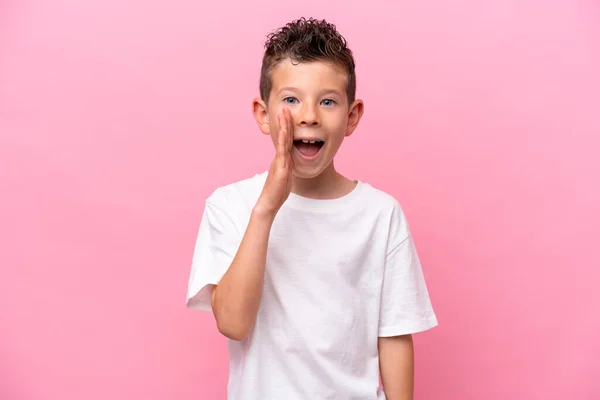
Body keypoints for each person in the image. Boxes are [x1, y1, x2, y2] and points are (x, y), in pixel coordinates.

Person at [186, 17, 438, 400]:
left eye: (328, 101)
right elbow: (234, 323)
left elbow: (395, 336)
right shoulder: (230, 205)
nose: (308, 115)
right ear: (263, 114)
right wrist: (267, 209)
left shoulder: (380, 214)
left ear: (351, 116)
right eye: (290, 99)